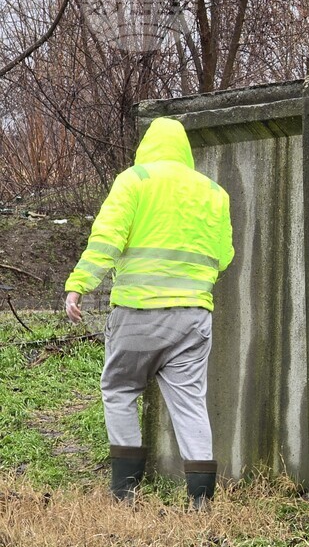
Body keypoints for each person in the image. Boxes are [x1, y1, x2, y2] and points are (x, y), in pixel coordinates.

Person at [64, 117, 234, 509]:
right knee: (190, 402)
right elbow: (224, 256)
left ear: (147, 147)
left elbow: (106, 238)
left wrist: (79, 284)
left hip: (139, 312)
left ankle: (125, 495)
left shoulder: (134, 180)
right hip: (194, 315)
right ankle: (201, 502)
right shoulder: (214, 192)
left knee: (120, 390)